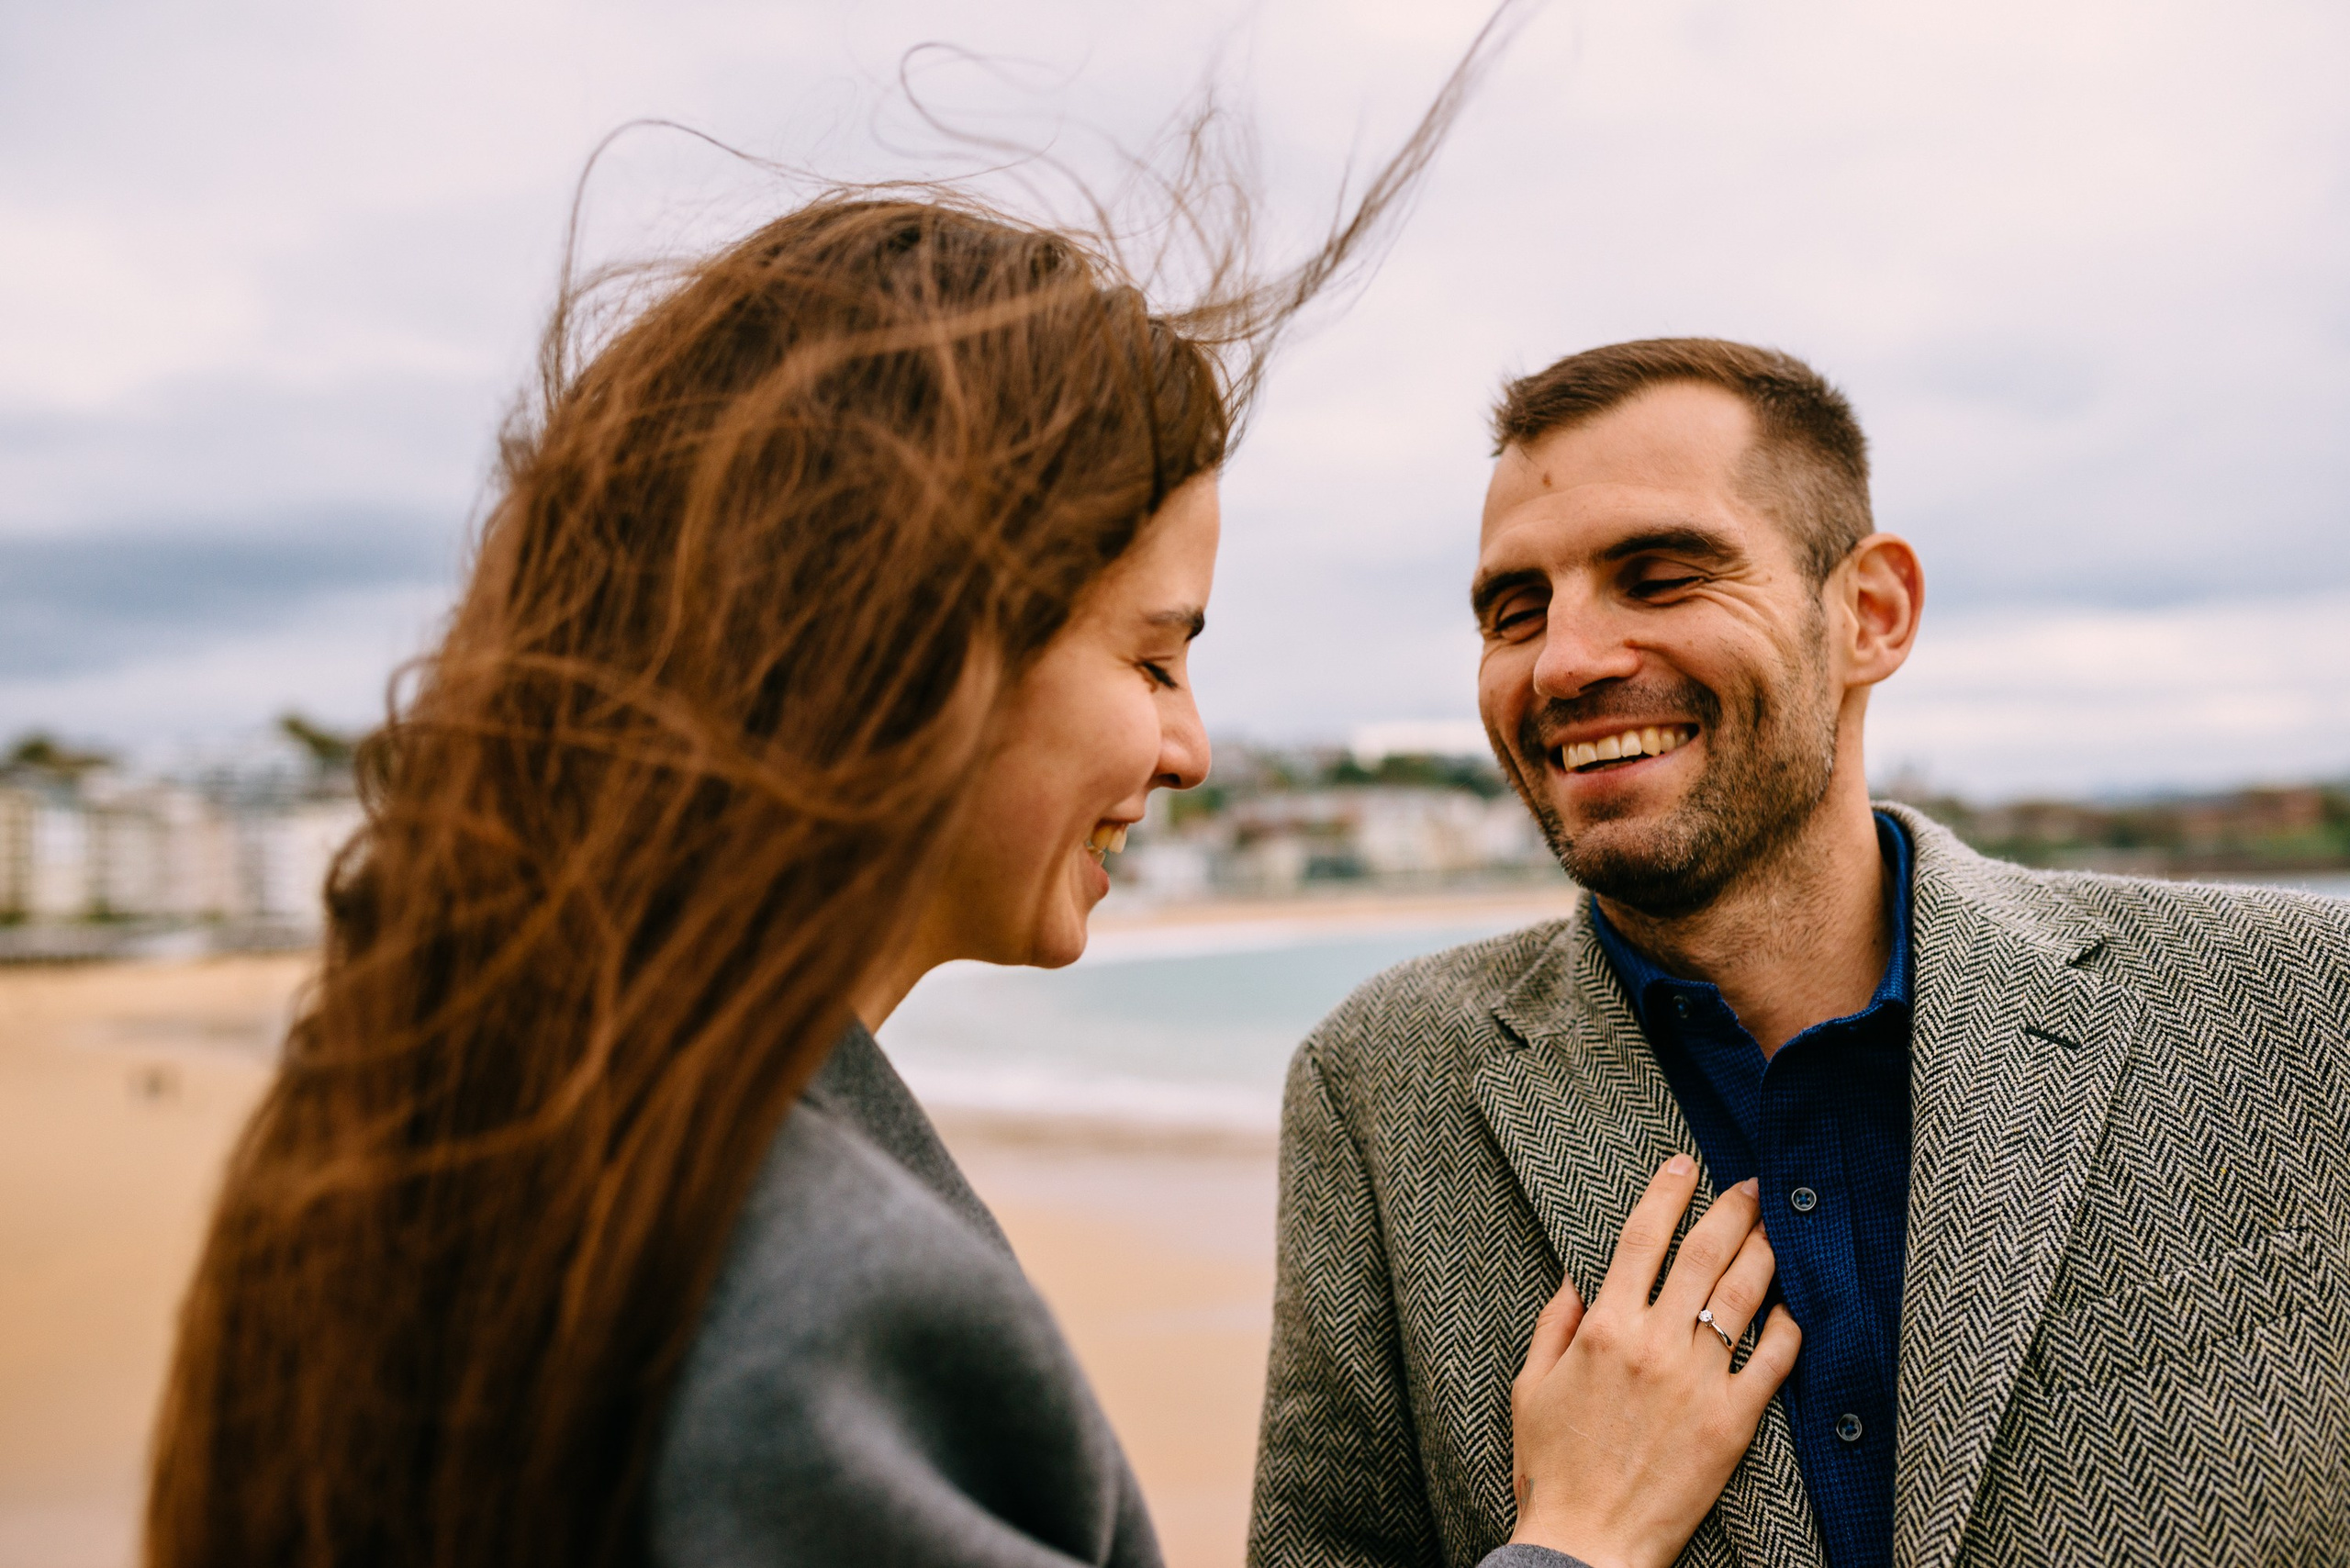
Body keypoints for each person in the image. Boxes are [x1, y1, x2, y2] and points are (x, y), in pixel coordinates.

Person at [140, 43, 1807, 1568]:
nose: (1190, 748)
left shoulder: (457, 1112)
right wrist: (1578, 1539)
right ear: (918, 647)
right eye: (1155, 658)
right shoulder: (806, 1304)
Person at [1249, 336, 2350, 1568]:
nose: (1565, 661)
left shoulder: (2306, 1005)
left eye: (1659, 576)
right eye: (1516, 612)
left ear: (1870, 613)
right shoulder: (1381, 1085)